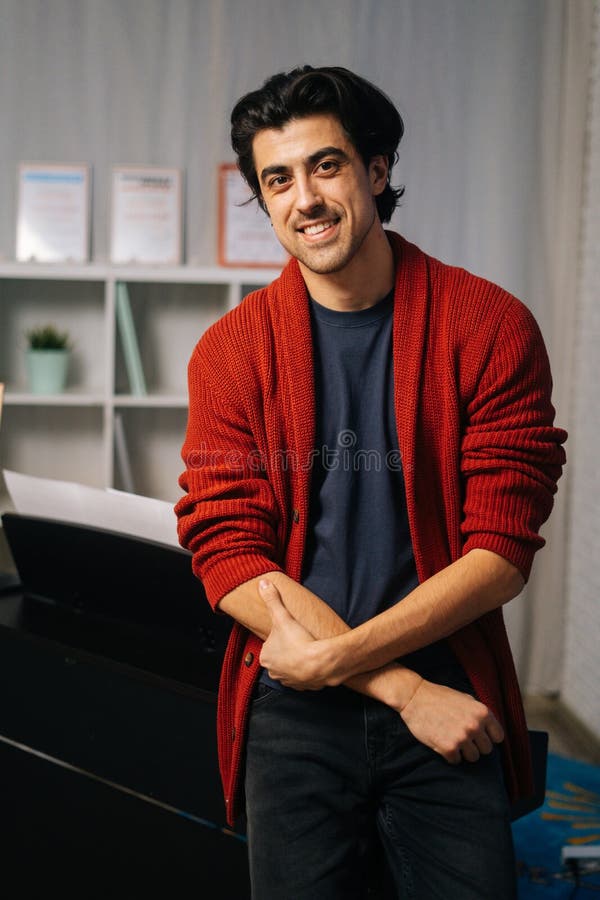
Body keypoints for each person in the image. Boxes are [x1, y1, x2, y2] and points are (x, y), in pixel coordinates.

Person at [175, 65, 567, 899]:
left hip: (450, 692)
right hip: (297, 710)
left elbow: (501, 549)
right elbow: (227, 551)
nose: (304, 199)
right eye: (277, 179)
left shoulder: (489, 327)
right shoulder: (230, 354)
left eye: (327, 166)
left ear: (377, 172)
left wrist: (345, 661)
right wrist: (398, 688)